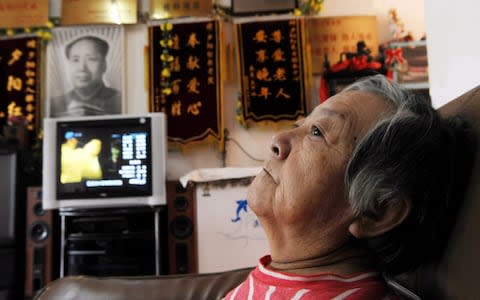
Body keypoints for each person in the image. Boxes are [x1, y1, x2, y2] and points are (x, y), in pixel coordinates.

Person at [224, 74, 475, 299]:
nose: (277, 141)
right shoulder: (277, 278)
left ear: (377, 211)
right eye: (299, 126)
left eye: (317, 133)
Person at [50, 36, 122, 117]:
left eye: (91, 59)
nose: (82, 68)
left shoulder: (120, 101)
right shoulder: (54, 104)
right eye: (75, 60)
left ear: (104, 65)